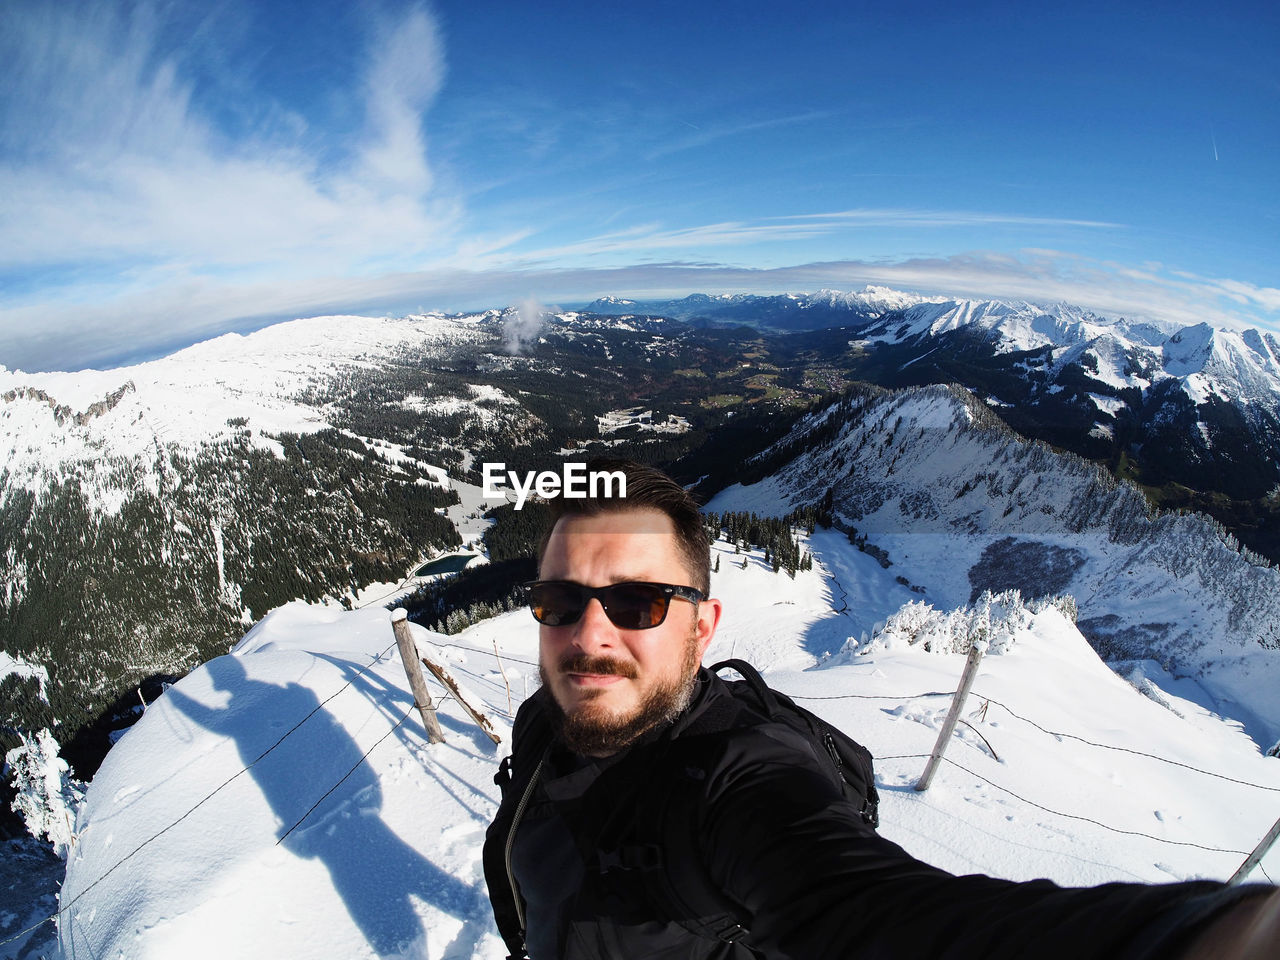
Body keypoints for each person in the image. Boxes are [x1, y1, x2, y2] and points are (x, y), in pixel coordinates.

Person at [482, 458, 1279, 959]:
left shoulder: (735, 779)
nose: (590, 633)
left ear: (703, 627)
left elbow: (870, 912)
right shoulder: (545, 718)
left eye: (638, 601)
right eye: (560, 600)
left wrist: (1215, 938)